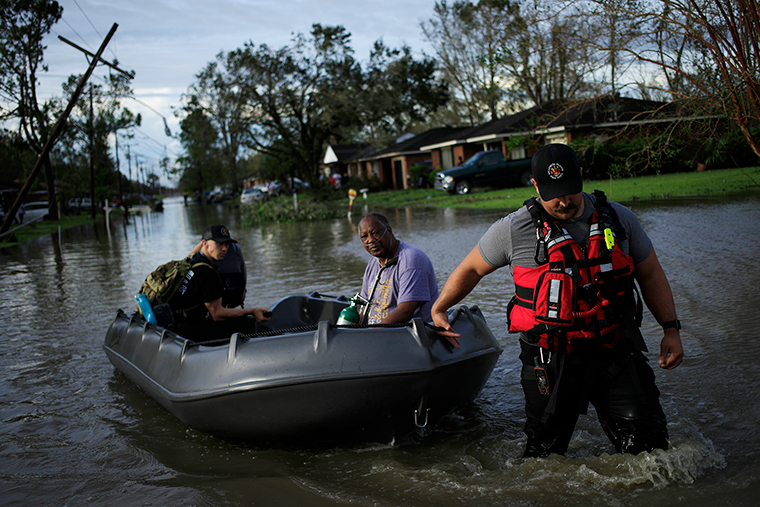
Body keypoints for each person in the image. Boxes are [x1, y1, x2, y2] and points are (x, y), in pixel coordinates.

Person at [431, 143, 684, 458]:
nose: (564, 201)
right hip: (550, 356)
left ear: (580, 176)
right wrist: (439, 308)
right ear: (535, 186)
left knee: (651, 450)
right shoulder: (513, 229)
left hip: (614, 348)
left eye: (570, 190)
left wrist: (670, 329)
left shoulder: (619, 218)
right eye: (553, 193)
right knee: (544, 455)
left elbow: (651, 273)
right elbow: (470, 268)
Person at [170, 224, 270, 342]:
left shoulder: (191, 260)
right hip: (190, 332)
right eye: (219, 243)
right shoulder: (207, 273)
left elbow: (200, 246)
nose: (224, 248)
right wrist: (252, 311)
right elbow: (218, 314)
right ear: (205, 244)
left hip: (178, 324)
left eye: (226, 244)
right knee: (246, 324)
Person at [358, 212, 439, 324]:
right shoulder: (373, 263)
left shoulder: (411, 259)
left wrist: (373, 333)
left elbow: (406, 311)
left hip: (407, 333)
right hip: (379, 333)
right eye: (365, 236)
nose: (371, 240)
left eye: (375, 233)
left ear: (389, 231)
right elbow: (364, 307)